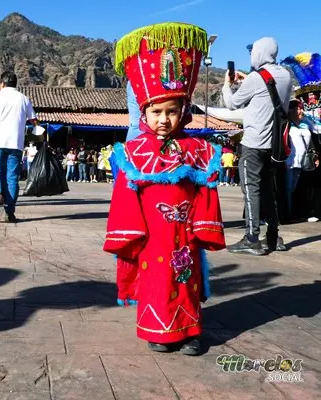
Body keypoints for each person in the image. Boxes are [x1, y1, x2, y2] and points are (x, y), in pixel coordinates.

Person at [103, 22, 225, 355]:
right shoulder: (134, 151)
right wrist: (131, 233)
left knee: (187, 276)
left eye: (172, 111)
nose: (164, 119)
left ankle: (190, 329)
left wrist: (202, 225)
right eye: (156, 112)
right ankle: (158, 329)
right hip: (151, 232)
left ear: (183, 111)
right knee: (156, 279)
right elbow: (126, 195)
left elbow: (206, 190)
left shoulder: (198, 149)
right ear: (144, 112)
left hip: (185, 231)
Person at [222, 37, 292, 255]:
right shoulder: (286, 75)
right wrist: (250, 80)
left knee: (250, 189)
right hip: (273, 145)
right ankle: (273, 236)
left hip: (253, 143)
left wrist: (227, 84)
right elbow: (267, 91)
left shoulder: (255, 78)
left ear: (260, 53)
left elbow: (232, 103)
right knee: (268, 191)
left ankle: (252, 238)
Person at [0, 71, 38, 222]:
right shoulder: (24, 99)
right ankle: (10, 212)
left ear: (2, 83)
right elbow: (34, 122)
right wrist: (40, 138)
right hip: (16, 145)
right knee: (12, 178)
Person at [285, 99, 315, 218]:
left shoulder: (305, 124)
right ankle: (287, 214)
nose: (300, 110)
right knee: (288, 188)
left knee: (293, 188)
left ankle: (294, 212)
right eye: (298, 108)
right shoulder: (287, 125)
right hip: (289, 161)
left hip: (302, 162)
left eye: (301, 108)